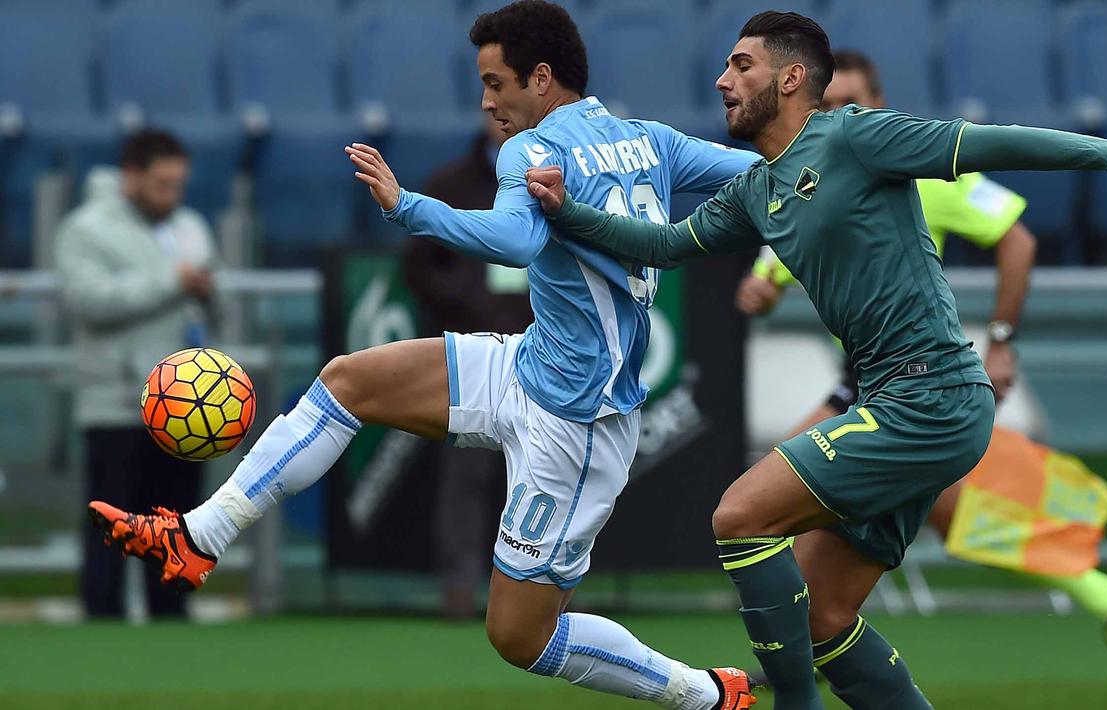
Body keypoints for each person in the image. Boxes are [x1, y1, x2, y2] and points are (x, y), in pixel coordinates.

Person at [524, 11, 1107, 709]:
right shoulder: (757, 190)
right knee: (822, 617)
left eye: (741, 65)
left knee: (739, 516)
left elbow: (991, 143)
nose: (722, 80)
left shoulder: (855, 136)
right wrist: (566, 212)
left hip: (932, 395)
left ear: (791, 78)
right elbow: (664, 246)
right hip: (893, 400)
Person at [87, 2, 760, 708]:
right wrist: (824, 164)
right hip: (530, 365)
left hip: (578, 422)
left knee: (521, 635)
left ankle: (706, 695)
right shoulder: (648, 140)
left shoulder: (533, 149)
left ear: (540, 78)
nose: (486, 102)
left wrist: (406, 205)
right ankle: (199, 535)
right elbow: (757, 170)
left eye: (495, 83)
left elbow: (516, 241)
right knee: (348, 381)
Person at [737, 48, 1107, 694]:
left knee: (764, 504)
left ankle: (794, 657)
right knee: (951, 517)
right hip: (870, 378)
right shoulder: (807, 178)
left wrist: (1001, 341)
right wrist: (761, 288)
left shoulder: (910, 167)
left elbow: (1017, 237)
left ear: (878, 104)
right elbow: (774, 272)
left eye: (852, 103)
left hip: (915, 378)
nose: (837, 115)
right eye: (828, 104)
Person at [55, 129, 217, 619]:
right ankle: (100, 624)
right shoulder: (84, 229)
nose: (172, 196)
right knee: (110, 529)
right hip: (115, 403)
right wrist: (173, 282)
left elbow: (216, 301)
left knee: (176, 529)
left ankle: (173, 625)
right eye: (162, 185)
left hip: (184, 412)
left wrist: (212, 293)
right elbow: (88, 301)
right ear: (130, 176)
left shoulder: (191, 225)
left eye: (178, 185)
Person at [404, 113, 533, 619]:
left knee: (547, 474)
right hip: (475, 353)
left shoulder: (554, 180)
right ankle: (459, 585)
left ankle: (552, 586)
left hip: (544, 351)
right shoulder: (451, 184)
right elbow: (418, 266)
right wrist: (463, 300)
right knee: (466, 475)